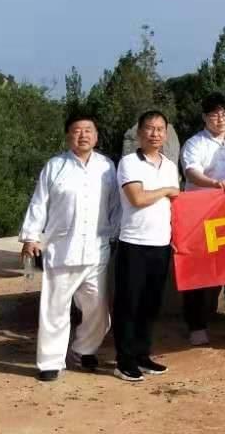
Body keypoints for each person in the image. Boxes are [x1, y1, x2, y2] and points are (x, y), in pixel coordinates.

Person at [19, 113, 120, 382]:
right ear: (68, 136)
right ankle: (50, 362)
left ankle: (84, 349)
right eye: (77, 130)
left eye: (88, 130)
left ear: (96, 136)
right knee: (55, 308)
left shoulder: (107, 167)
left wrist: (116, 234)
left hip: (96, 249)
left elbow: (115, 206)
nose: (83, 135)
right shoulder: (55, 166)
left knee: (97, 308)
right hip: (61, 249)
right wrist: (31, 236)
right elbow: (39, 203)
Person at [113, 110, 182, 381]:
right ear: (140, 133)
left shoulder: (168, 164)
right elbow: (137, 198)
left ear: (166, 134)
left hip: (161, 243)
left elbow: (174, 206)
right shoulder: (129, 162)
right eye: (150, 129)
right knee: (128, 303)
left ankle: (142, 355)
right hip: (134, 242)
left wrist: (176, 238)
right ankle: (124, 360)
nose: (155, 134)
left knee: (150, 304)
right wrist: (166, 190)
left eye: (160, 129)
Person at [179, 91, 225, 347]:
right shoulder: (194, 143)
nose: (219, 119)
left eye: (224, 114)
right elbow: (191, 172)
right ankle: (196, 325)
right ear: (204, 118)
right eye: (214, 115)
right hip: (201, 215)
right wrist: (214, 184)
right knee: (198, 270)